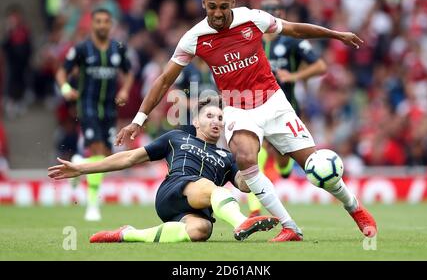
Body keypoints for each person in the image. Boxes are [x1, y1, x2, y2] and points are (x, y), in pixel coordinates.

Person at [115, 0, 377, 241]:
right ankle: (290, 227)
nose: (218, 13)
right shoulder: (194, 37)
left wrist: (336, 35)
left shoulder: (253, 18)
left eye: (224, 6)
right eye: (212, 6)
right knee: (245, 158)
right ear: (204, 2)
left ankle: (355, 209)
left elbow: (295, 29)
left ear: (233, 2)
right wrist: (139, 119)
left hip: (274, 103)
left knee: (316, 168)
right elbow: (164, 80)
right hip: (239, 109)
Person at [48, 96, 279, 243]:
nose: (216, 121)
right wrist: (81, 169)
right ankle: (240, 223)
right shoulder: (176, 138)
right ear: (197, 122)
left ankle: (128, 234)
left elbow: (246, 185)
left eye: (220, 117)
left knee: (201, 231)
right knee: (210, 187)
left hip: (197, 209)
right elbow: (129, 157)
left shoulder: (228, 157)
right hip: (174, 190)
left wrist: (249, 160)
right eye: (209, 116)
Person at [247, 0, 328, 217]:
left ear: (282, 13)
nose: (271, 12)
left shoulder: (292, 41)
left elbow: (321, 66)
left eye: (275, 9)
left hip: (286, 107)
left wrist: (294, 75)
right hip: (257, 106)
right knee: (257, 152)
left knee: (283, 158)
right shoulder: (251, 40)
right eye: (266, 10)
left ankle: (284, 169)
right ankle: (254, 209)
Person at [56, 8, 134, 221]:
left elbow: (128, 73)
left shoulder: (118, 48)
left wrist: (125, 89)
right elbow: (61, 71)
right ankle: (92, 205)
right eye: (98, 21)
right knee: (98, 150)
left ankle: (78, 163)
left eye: (106, 21)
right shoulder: (82, 48)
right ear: (92, 24)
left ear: (111, 25)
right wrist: (65, 89)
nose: (102, 25)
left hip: (109, 108)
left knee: (105, 156)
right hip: (87, 105)